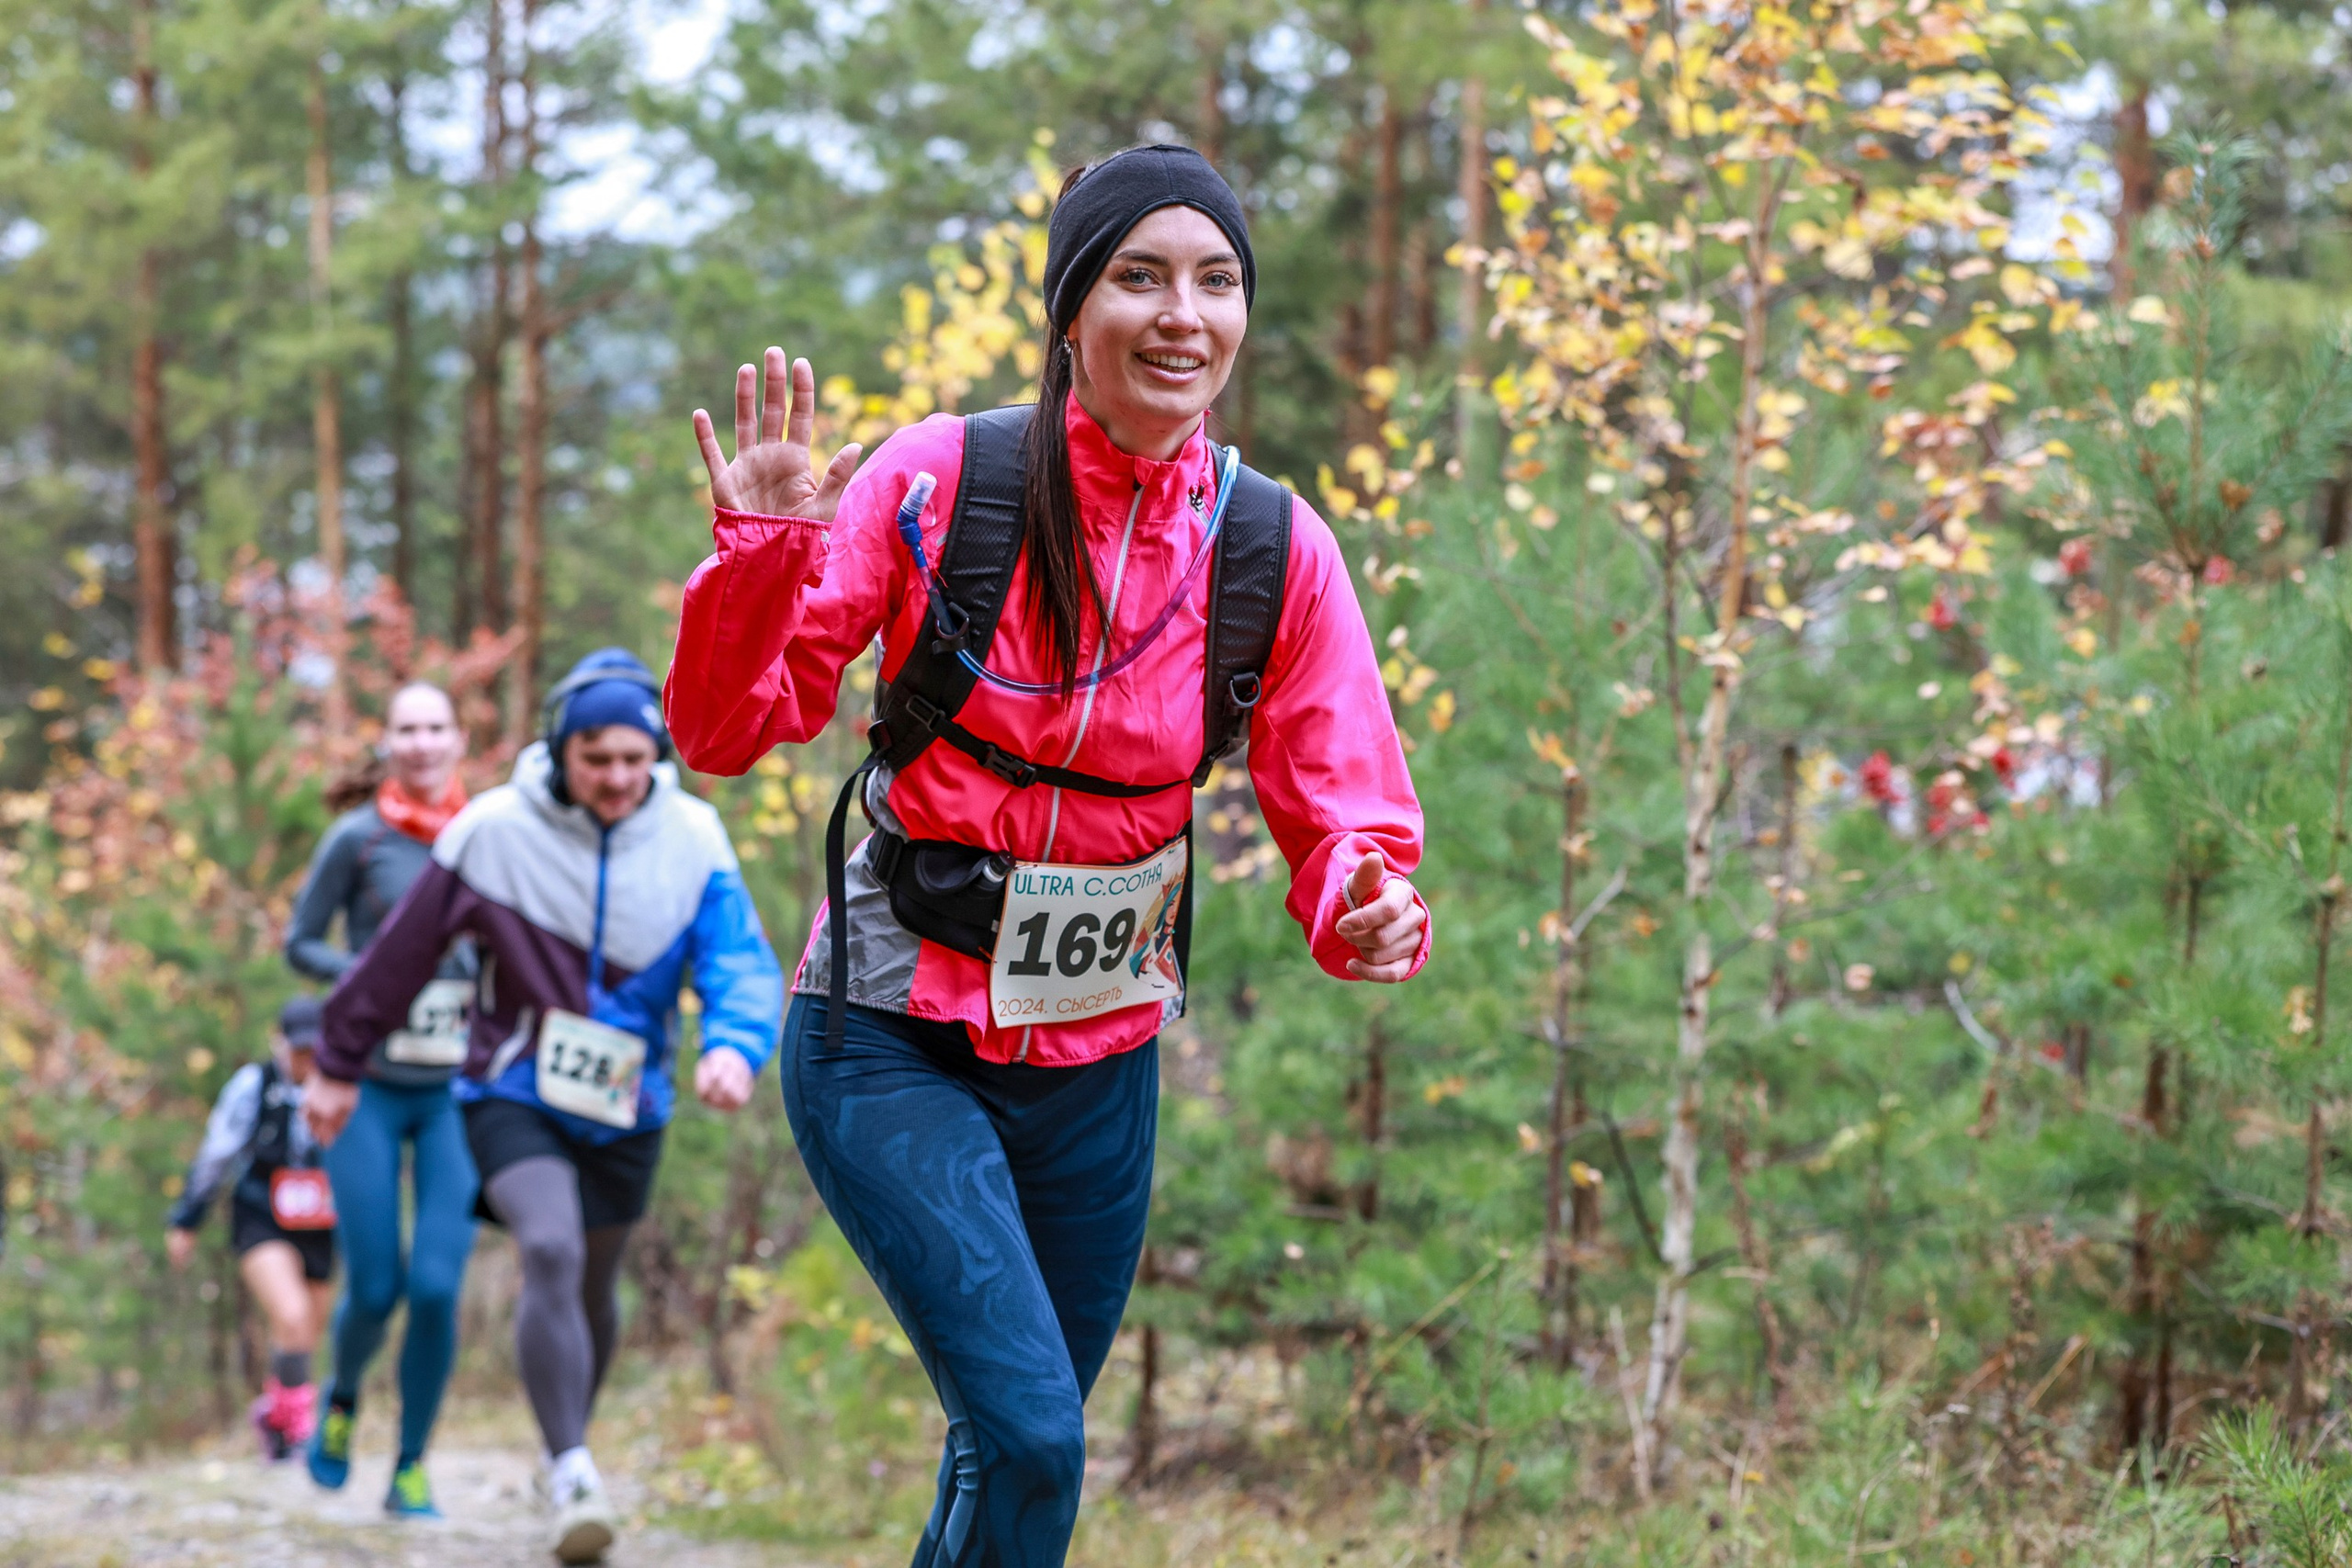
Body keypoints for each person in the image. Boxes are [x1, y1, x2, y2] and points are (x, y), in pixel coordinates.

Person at [666, 143, 1432, 1567]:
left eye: (1216, 281)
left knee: (1013, 1457)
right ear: (1072, 309)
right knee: (1029, 1431)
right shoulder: (940, 480)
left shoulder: (1270, 546)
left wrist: (1364, 899)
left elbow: (1344, 801)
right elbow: (725, 727)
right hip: (891, 1026)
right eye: (1139, 276)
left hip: (1099, 1058)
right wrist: (767, 549)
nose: (1181, 315)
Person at [306, 647, 785, 1566]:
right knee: (551, 1247)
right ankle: (571, 1468)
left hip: (628, 1099)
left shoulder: (692, 837)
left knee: (593, 1284)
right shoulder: (492, 831)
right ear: (561, 751)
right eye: (595, 759)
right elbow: (399, 956)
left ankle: (565, 1440)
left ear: (656, 759)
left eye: (634, 762)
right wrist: (337, 1059)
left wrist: (734, 1042)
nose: (615, 780)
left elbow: (738, 957)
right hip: (510, 1087)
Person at [283, 681, 480, 1517]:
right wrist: (369, 977)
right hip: (362, 1084)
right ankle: (340, 1402)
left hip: (456, 1093)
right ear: (387, 741)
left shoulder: (490, 837)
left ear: (459, 739)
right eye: (408, 728)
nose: (424, 741)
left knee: (435, 1284)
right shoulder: (355, 839)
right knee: (375, 1284)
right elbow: (300, 943)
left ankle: (410, 1464)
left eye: (437, 726)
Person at [166, 998, 340, 1462]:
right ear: (279, 1043)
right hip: (262, 1214)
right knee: (291, 1314)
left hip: (322, 1221)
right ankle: (299, 1431)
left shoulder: (345, 1088)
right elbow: (216, 1155)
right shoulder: (254, 1086)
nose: (306, 1061)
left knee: (306, 1332)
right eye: (299, 1050)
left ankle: (275, 1415)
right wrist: (187, 1219)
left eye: (315, 1051)